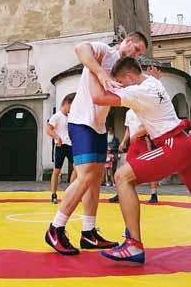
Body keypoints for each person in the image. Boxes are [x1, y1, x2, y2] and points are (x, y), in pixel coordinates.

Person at [90, 56, 191, 266]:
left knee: (121, 176)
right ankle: (132, 238)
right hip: (186, 143)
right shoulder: (152, 81)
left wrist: (92, 68)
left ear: (129, 76)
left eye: (122, 82)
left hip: (173, 145)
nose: (121, 86)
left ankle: (133, 245)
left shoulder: (139, 90)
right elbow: (145, 78)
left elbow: (98, 97)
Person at [45, 31, 150, 256]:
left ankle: (88, 232)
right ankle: (55, 228)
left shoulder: (124, 70)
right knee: (85, 177)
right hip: (81, 121)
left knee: (94, 180)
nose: (138, 56)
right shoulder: (105, 50)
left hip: (99, 126)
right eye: (138, 50)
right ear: (128, 42)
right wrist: (100, 72)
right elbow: (81, 48)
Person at [109, 109, 159, 204]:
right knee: (126, 168)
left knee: (150, 168)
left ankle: (154, 194)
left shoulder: (143, 110)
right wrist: (123, 142)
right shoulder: (129, 113)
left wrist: (137, 134)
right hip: (133, 144)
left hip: (144, 141)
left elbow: (148, 126)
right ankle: (121, 193)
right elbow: (128, 129)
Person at [46, 93, 76, 204]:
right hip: (60, 146)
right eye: (72, 106)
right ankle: (54, 194)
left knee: (77, 168)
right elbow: (48, 130)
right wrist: (57, 138)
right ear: (67, 104)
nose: (71, 110)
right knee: (57, 171)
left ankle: (70, 192)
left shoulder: (70, 117)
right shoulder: (56, 116)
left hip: (70, 145)